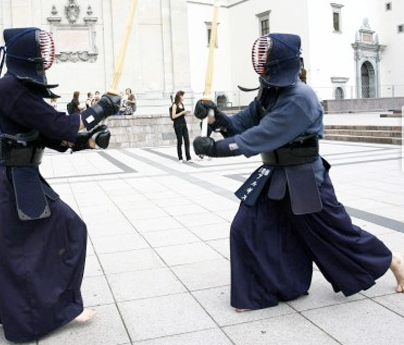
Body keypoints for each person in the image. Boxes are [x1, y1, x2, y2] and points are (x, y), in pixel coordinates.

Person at [192, 33, 404, 311]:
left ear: (280, 61)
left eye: (267, 56)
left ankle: (394, 261)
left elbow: (261, 136)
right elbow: (242, 124)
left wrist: (216, 148)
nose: (262, 61)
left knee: (337, 232)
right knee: (247, 226)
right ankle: (261, 292)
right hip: (275, 174)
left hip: (305, 179)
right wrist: (215, 116)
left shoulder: (300, 97)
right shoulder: (270, 91)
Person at [0, 27, 120, 342]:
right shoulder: (12, 88)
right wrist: (102, 109)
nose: (44, 59)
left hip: (15, 177)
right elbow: (59, 125)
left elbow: (47, 135)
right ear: (29, 55)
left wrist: (87, 143)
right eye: (41, 54)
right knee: (67, 229)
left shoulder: (15, 88)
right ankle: (63, 307)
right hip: (13, 181)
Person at [171, 90, 192, 163]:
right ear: (179, 96)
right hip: (177, 125)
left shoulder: (182, 104)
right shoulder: (175, 105)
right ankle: (180, 157)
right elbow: (173, 116)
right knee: (180, 141)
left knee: (187, 140)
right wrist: (182, 112)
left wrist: (185, 113)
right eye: (182, 96)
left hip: (183, 123)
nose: (184, 97)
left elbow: (181, 114)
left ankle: (188, 157)